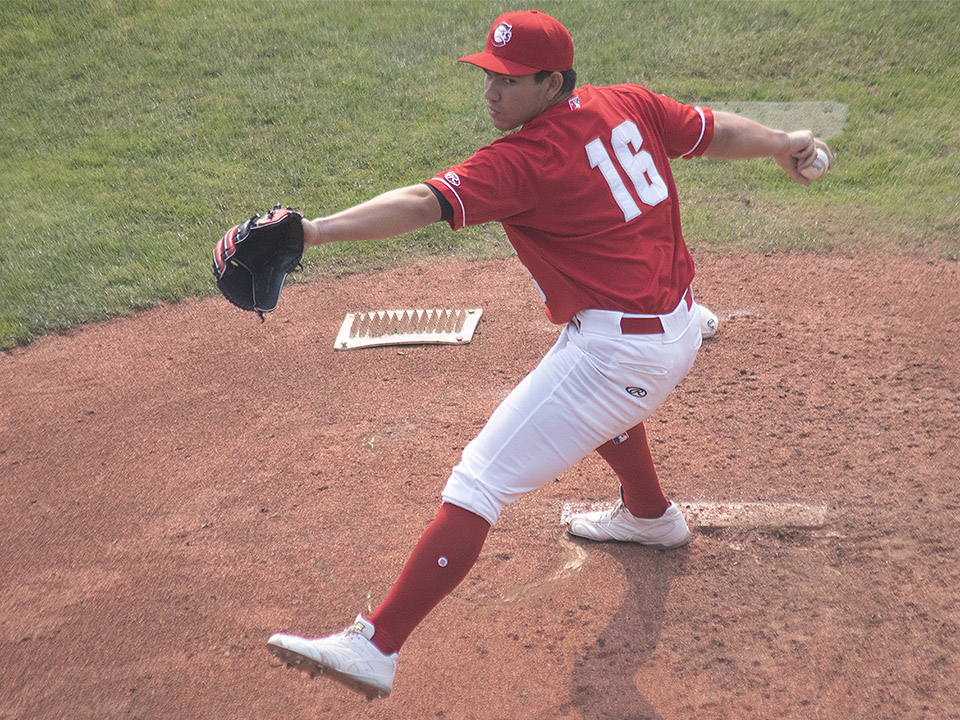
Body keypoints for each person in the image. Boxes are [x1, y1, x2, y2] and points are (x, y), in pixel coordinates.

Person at [266, 9, 832, 698]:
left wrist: (311, 234)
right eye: (488, 76)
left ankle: (377, 647)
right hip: (677, 328)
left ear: (551, 81)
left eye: (507, 80)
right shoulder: (628, 103)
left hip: (622, 356)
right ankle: (650, 517)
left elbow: (421, 203)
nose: (491, 92)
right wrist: (786, 142)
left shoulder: (523, 162)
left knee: (479, 480)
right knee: (587, 395)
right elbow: (712, 130)